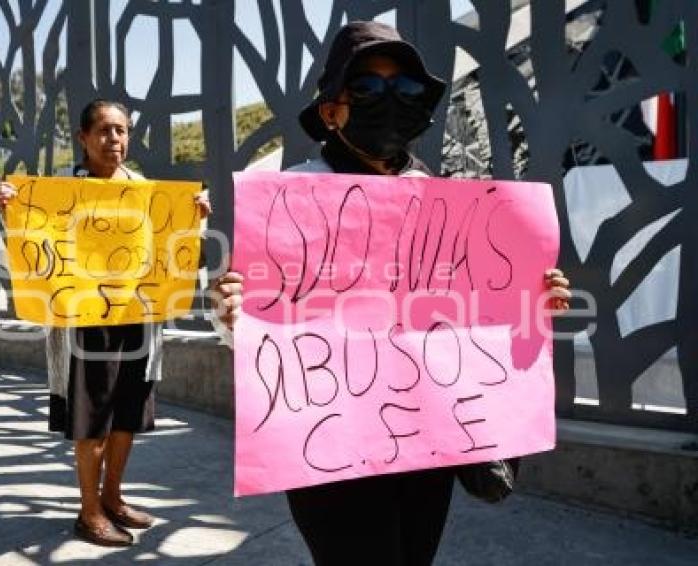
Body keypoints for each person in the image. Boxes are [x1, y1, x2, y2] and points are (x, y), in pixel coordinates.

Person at [211, 21, 571, 565]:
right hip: (329, 440)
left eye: (405, 90)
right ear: (331, 111)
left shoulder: (446, 200)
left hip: (424, 438)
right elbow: (257, 326)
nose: (390, 103)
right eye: (369, 90)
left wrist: (534, 298)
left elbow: (477, 316)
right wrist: (230, 315)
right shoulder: (292, 202)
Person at [0, 99, 212, 547]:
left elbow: (175, 250)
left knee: (128, 413)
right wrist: (7, 207)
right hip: (85, 323)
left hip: (139, 317)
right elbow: (33, 240)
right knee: (91, 418)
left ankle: (112, 498)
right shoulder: (59, 194)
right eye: (106, 131)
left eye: (123, 131)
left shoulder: (148, 192)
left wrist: (197, 218)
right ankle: (88, 511)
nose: (116, 139)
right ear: (84, 138)